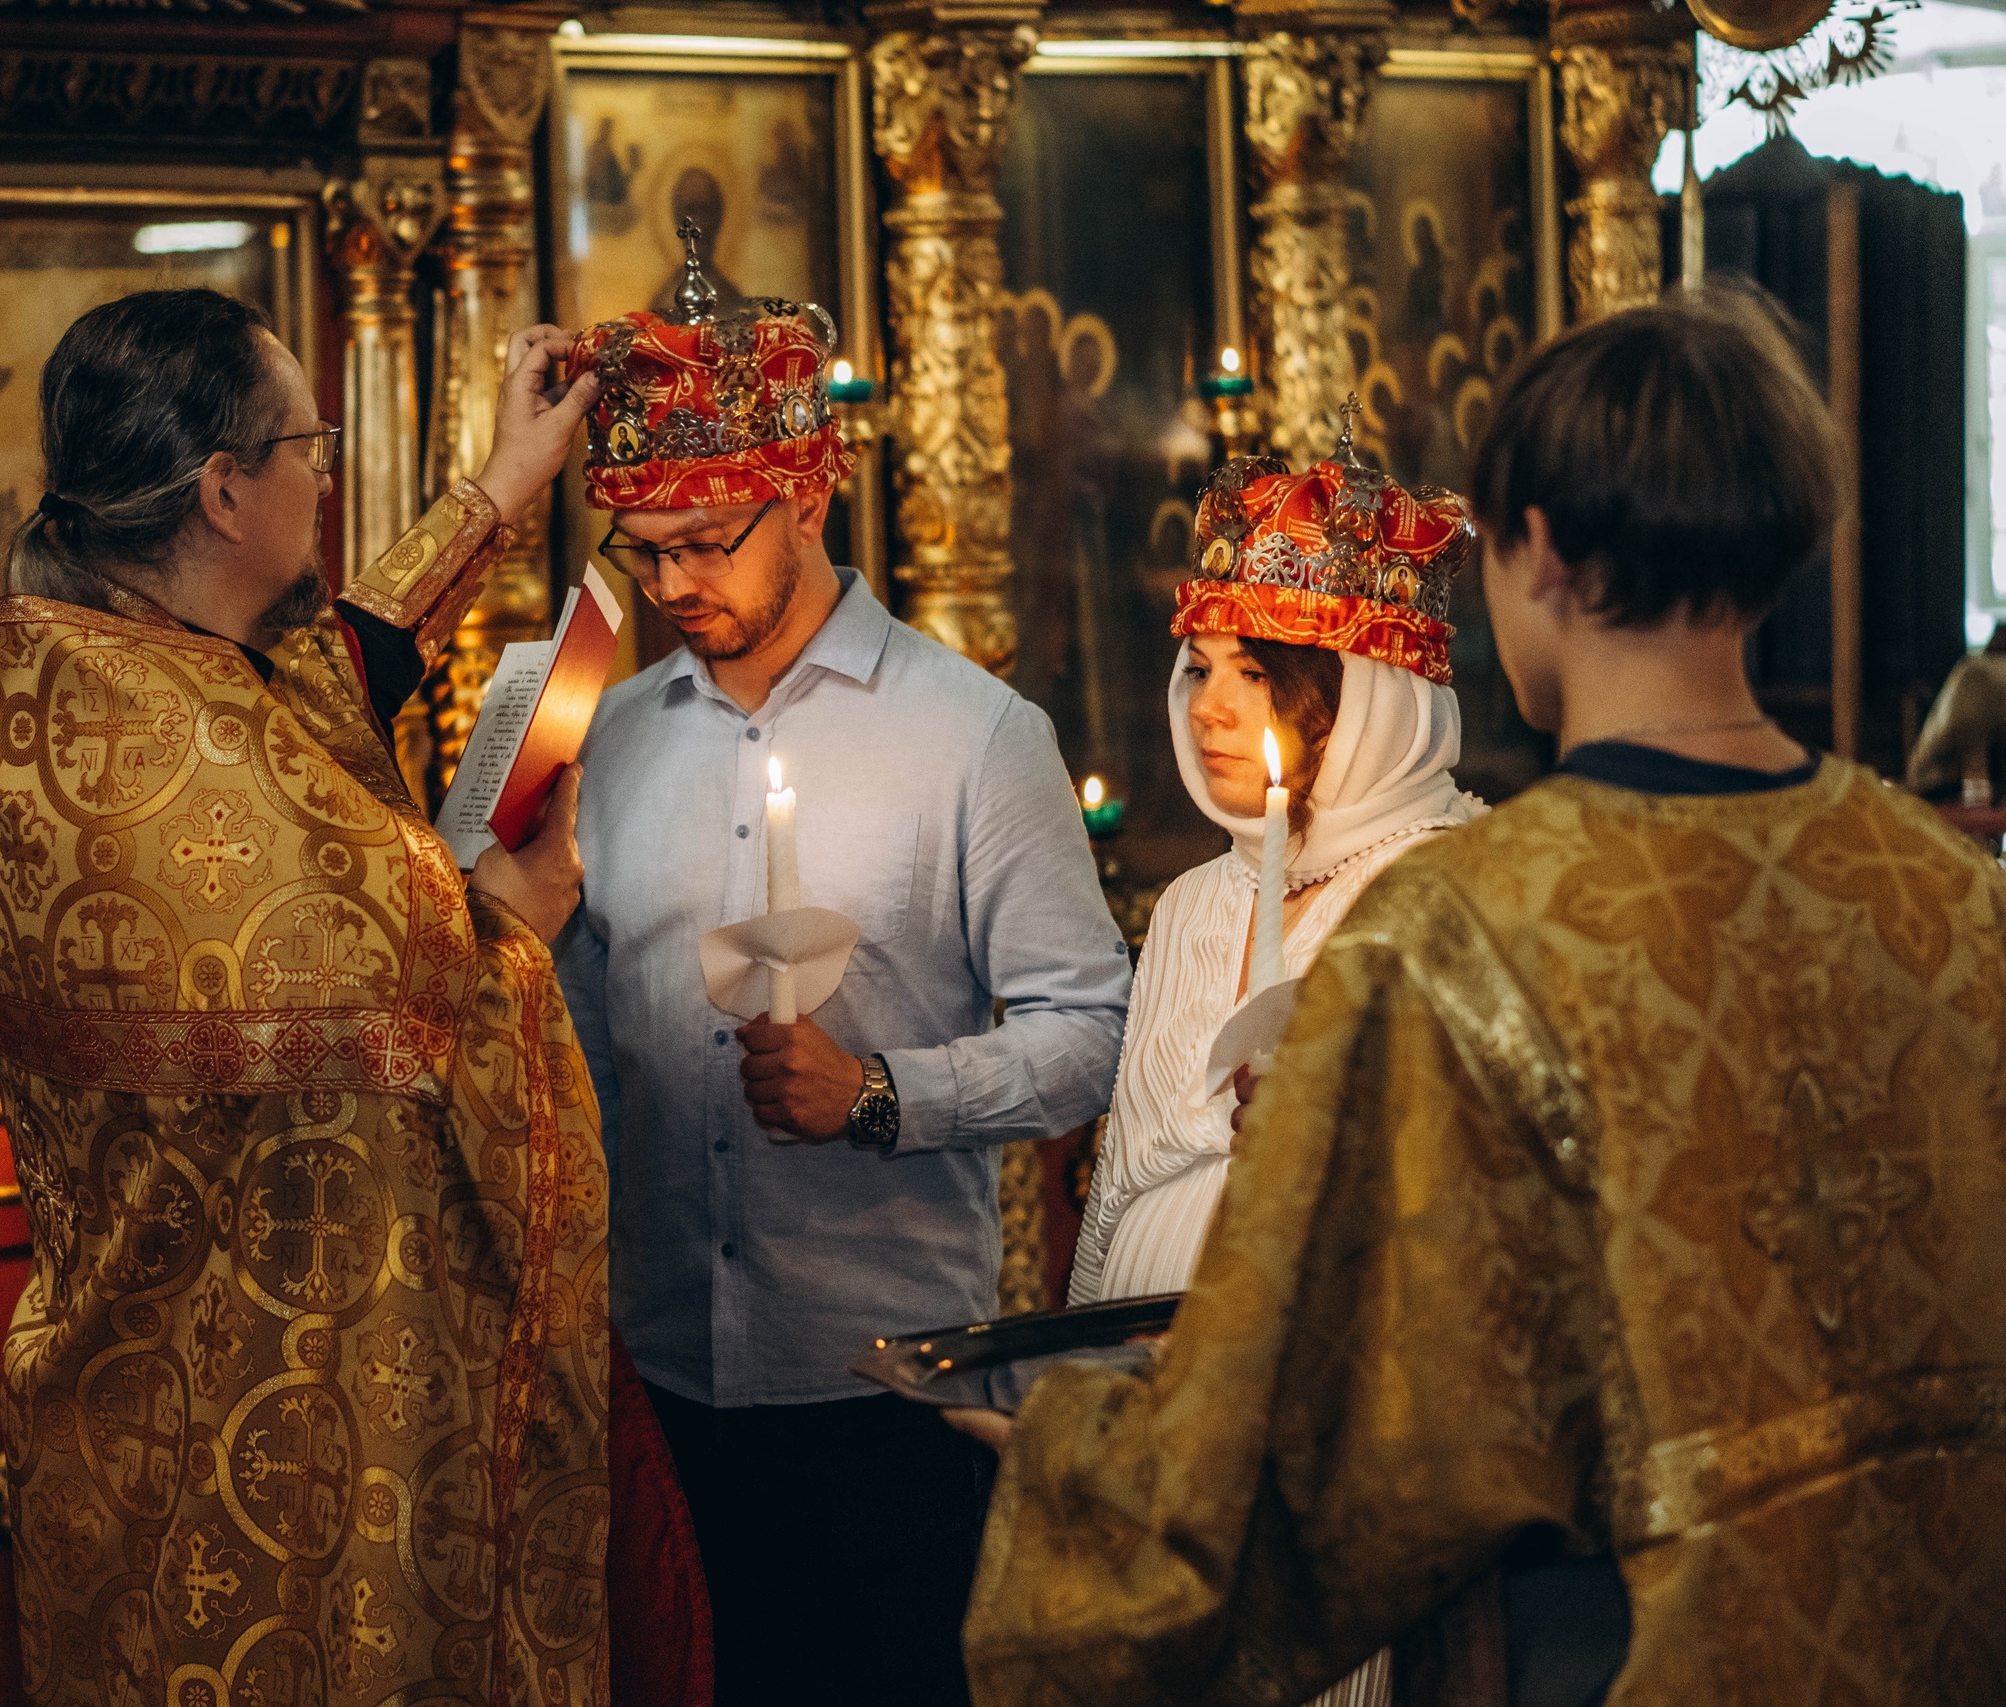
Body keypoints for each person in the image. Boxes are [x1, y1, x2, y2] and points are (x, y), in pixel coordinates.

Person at [959, 285, 2006, 1706]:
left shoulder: (1459, 927)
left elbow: (1361, 1443)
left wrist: (1075, 1464)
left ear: (1537, 552)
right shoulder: (1949, 895)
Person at [0, 288, 625, 1707]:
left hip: (136, 1400)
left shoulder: (83, 681)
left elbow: (330, 679)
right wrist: (514, 928)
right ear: (224, 489)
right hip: (286, 1422)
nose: (325, 478)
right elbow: (416, 1003)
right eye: (309, 447)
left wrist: (497, 493)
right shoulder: (187, 759)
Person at [553, 240, 1132, 1706]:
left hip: (885, 1394)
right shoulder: (610, 742)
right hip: (660, 1382)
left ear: (808, 495)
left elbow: (1092, 1029)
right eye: (642, 549)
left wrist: (878, 1091)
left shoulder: (973, 735)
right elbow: (576, 1045)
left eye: (708, 540)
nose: (673, 582)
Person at [1059, 429, 1485, 1707]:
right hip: (1153, 1432)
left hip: (1329, 1446)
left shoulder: (1455, 894)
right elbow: (1117, 1183)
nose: (1209, 706)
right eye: (1198, 667)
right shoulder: (1196, 903)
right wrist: (1083, 1407)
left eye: (1256, 673)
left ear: (1368, 696)